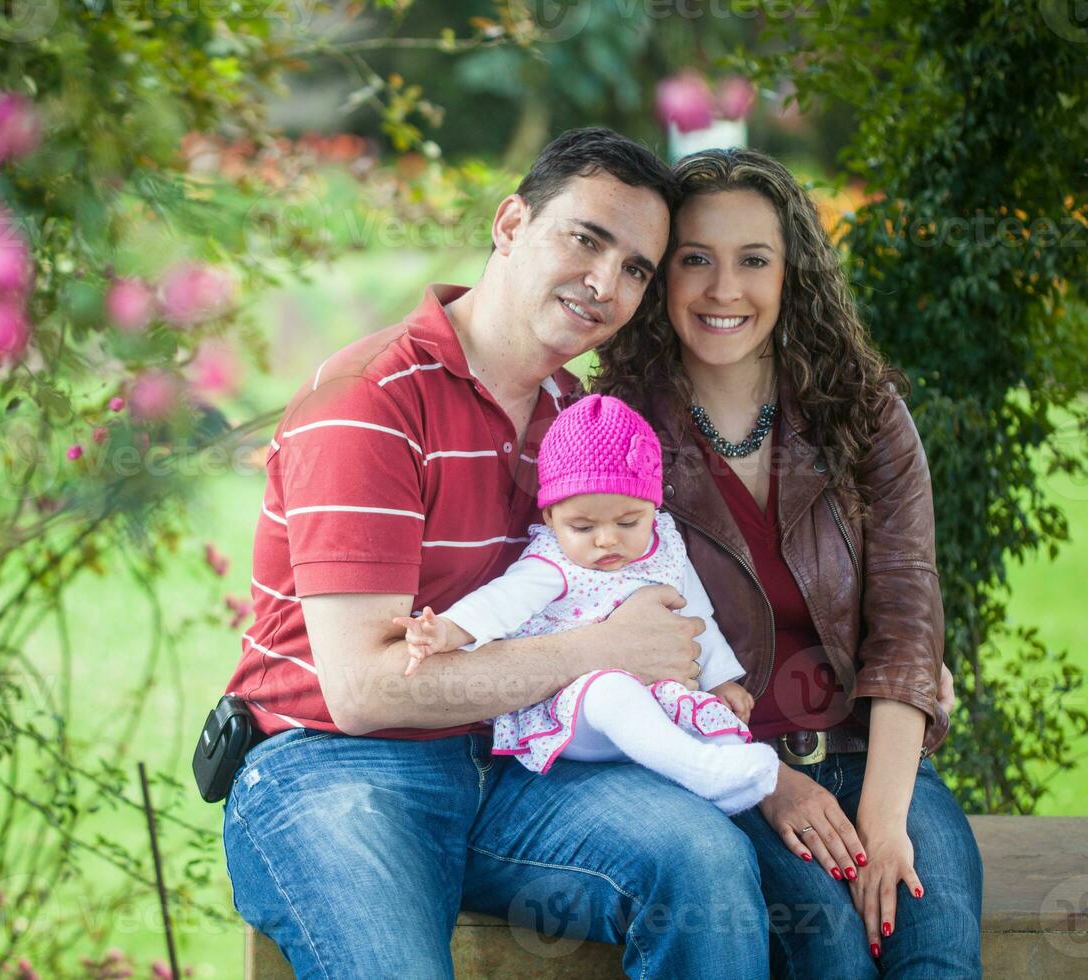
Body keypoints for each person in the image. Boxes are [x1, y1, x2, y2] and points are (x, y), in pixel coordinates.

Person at [218, 129, 773, 978]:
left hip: (518, 755)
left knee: (703, 864)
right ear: (511, 223)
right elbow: (365, 692)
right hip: (332, 763)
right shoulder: (368, 402)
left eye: (636, 270)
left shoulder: (577, 423)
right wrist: (598, 653)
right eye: (588, 239)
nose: (606, 284)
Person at [596, 147, 983, 977]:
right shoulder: (617, 434)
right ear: (662, 277)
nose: (723, 289)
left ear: (792, 274)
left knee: (936, 956)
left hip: (871, 756)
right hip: (727, 778)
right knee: (835, 958)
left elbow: (907, 625)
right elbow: (607, 640)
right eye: (695, 259)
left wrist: (884, 822)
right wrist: (763, 780)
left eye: (753, 261)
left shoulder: (866, 415)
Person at [392, 392, 780, 813]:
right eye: (582, 525)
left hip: (660, 698)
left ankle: (728, 780)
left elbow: (697, 618)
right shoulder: (553, 562)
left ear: (653, 506)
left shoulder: (666, 545)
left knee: (712, 714)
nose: (606, 539)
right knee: (609, 689)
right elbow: (499, 603)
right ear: (550, 518)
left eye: (628, 521)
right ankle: (697, 770)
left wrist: (720, 679)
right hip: (579, 712)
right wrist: (445, 631)